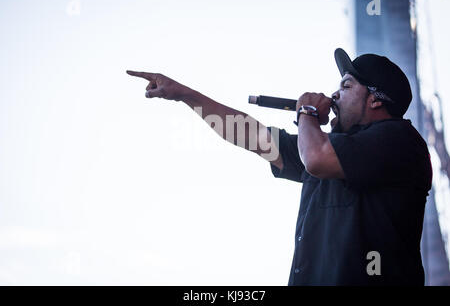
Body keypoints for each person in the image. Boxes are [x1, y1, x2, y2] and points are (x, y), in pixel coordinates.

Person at [127, 48, 432, 285]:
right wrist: (185, 95)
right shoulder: (336, 148)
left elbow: (316, 159)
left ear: (376, 100)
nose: (334, 94)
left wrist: (308, 112)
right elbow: (254, 137)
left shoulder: (399, 141)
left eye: (346, 86)